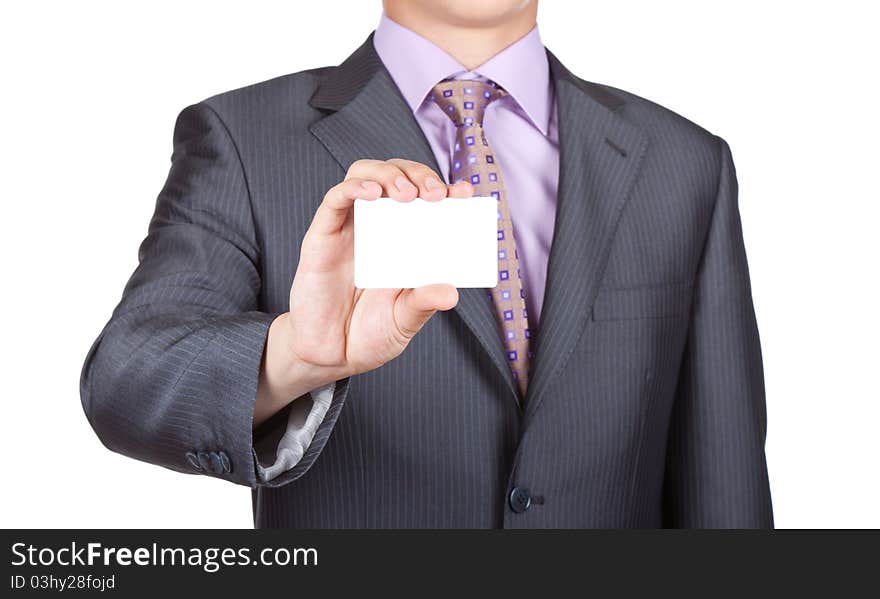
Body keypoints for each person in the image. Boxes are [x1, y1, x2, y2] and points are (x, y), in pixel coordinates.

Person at [81, 0, 773, 528]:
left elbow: (726, 488)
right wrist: (296, 353)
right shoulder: (244, 140)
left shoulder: (684, 164)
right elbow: (125, 377)